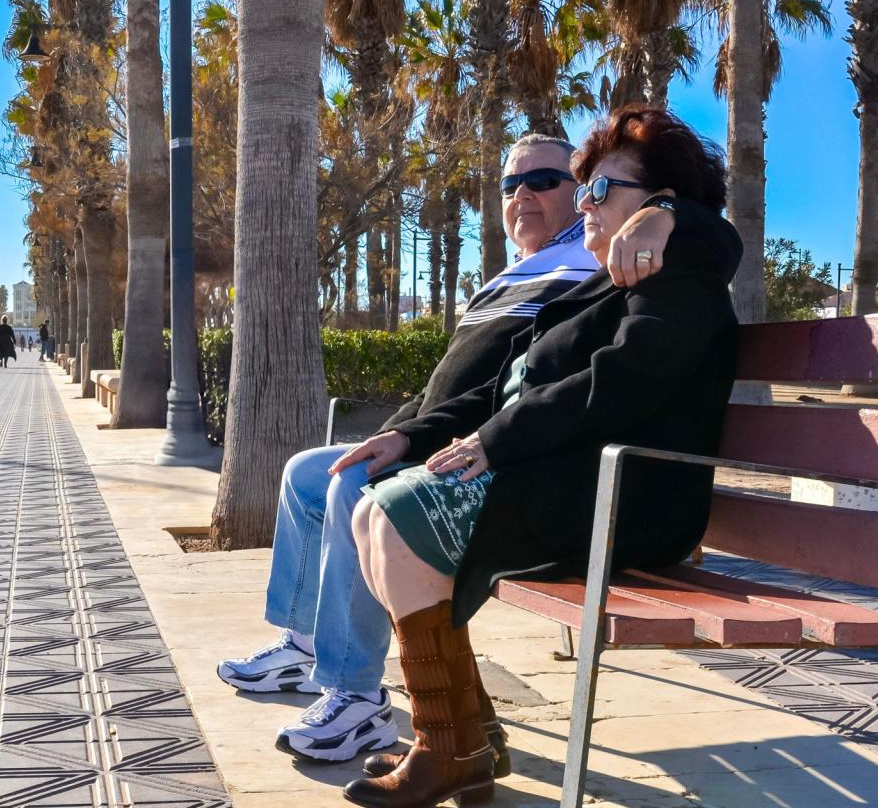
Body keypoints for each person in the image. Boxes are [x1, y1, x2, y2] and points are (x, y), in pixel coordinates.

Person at [216, 133, 722, 764]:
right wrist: (403, 432)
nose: (526, 195)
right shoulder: (536, 278)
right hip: (489, 449)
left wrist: (667, 212)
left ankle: (372, 704)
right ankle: (426, 720)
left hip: (574, 483)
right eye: (511, 185)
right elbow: (479, 385)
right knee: (318, 475)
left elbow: (700, 255)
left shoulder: (629, 256)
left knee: (371, 501)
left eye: (555, 182)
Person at [339, 106, 740, 808]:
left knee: (398, 519)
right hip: (570, 483)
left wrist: (672, 213)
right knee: (373, 509)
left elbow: (619, 384)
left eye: (601, 190)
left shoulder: (680, 273)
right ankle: (458, 738)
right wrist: (411, 437)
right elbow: (501, 392)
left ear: (658, 203)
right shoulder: (599, 289)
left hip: (627, 501)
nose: (585, 204)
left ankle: (450, 746)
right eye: (584, 190)